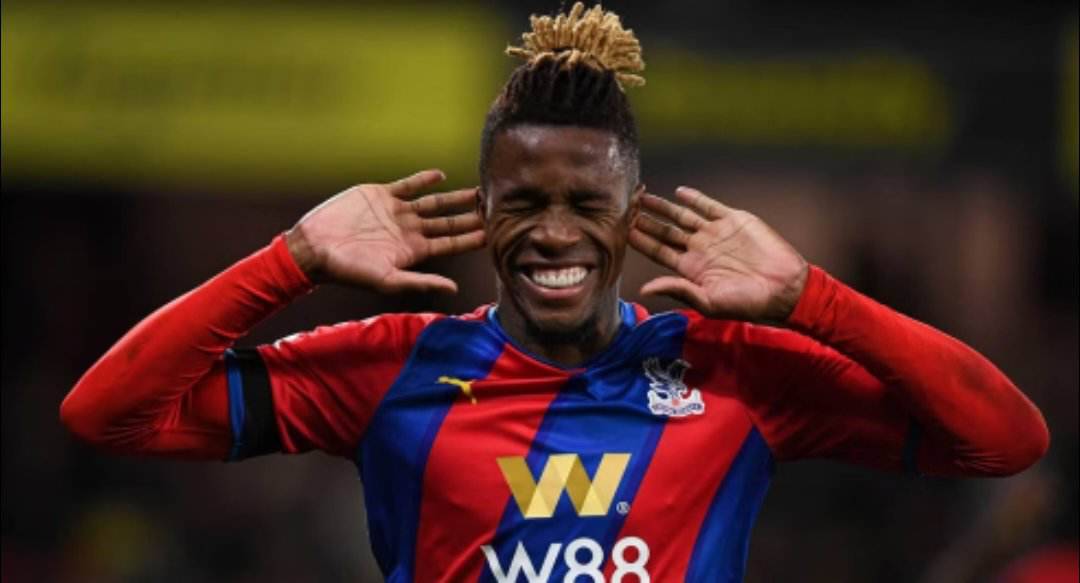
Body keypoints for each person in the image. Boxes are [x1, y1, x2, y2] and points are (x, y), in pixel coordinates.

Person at [60, 3, 1049, 582]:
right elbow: (107, 415)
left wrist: (813, 301)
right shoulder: (391, 365)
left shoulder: (732, 371)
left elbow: (1003, 441)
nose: (556, 232)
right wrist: (291, 260)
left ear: (632, 213)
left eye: (588, 203)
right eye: (525, 202)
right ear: (485, 209)